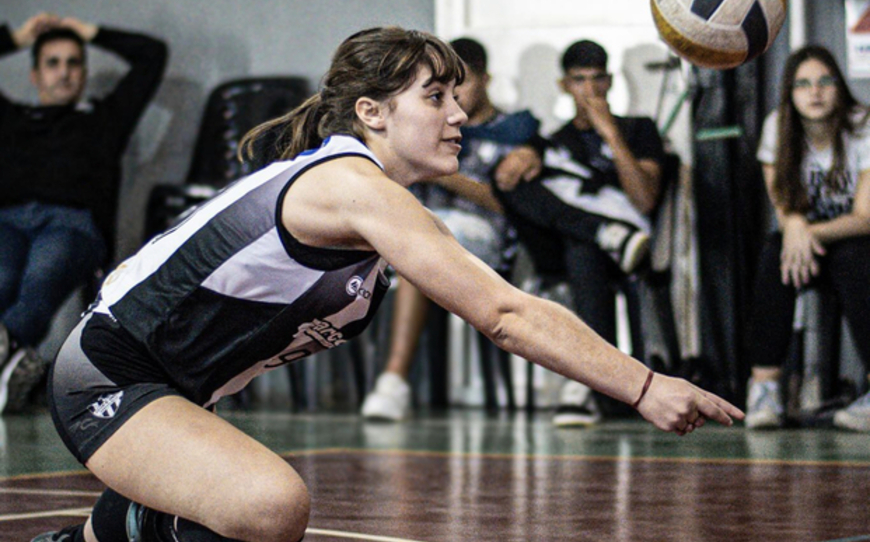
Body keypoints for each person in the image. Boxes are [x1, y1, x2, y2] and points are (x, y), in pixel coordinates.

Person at [32, 27, 742, 542]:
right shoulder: (347, 185)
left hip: (176, 393)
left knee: (252, 508)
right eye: (435, 96)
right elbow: (502, 312)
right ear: (371, 113)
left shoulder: (372, 204)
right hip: (108, 376)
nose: (459, 113)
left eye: (456, 95)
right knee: (272, 506)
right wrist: (643, 386)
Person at [360, 37, 540, 421]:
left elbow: (512, 203)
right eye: (441, 92)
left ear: (486, 79)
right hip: (420, 231)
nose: (453, 100)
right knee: (400, 243)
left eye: (463, 85)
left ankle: (393, 379)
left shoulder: (516, 129)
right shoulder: (425, 127)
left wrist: (442, 174)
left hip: (485, 240)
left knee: (419, 249)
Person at [0, 13, 167, 413]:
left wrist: (89, 32)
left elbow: (152, 56)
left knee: (42, 273)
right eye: (53, 63)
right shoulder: (9, 119)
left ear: (85, 72)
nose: (65, 73)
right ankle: (9, 367)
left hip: (72, 225)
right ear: (35, 75)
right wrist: (18, 37)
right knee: (1, 278)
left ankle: (9, 359)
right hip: (6, 220)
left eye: (74, 62)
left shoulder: (104, 120)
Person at [494, 39, 665, 427]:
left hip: (630, 245)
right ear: (564, 86)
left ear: (610, 81)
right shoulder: (553, 141)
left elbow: (645, 200)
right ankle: (599, 232)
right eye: (579, 80)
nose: (589, 90)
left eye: (597, 79)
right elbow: (508, 179)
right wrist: (524, 158)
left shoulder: (639, 129)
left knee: (581, 250)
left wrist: (610, 133)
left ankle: (586, 383)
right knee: (510, 181)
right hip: (566, 241)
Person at [743, 45, 870, 431]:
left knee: (853, 258)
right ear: (790, 92)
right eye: (802, 84)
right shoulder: (777, 126)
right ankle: (764, 389)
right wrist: (793, 228)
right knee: (773, 254)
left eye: (824, 81)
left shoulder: (863, 125)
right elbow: (783, 206)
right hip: (807, 251)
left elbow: (865, 218)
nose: (814, 92)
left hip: (854, 240)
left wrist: (803, 230)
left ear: (839, 86)